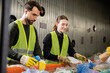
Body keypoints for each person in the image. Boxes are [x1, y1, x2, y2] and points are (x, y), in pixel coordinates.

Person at [8, 1, 43, 67]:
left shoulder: (33, 29)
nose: (36, 19)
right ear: (26, 11)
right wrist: (20, 57)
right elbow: (5, 49)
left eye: (37, 16)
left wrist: (41, 60)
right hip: (11, 67)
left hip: (26, 68)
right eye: (34, 15)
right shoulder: (14, 27)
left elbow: (37, 48)